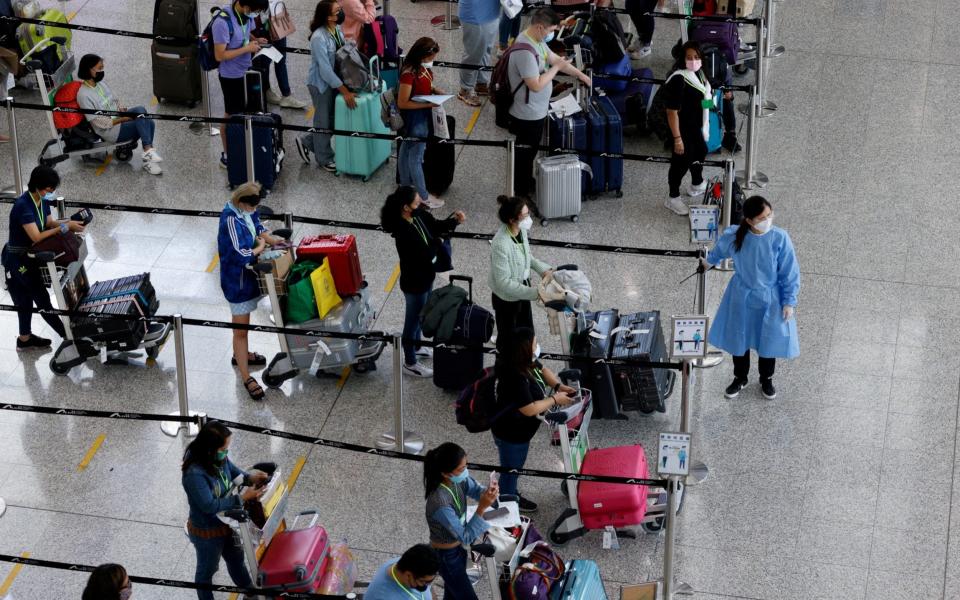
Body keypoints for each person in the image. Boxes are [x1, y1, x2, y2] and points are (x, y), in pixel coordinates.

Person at [701, 195, 800, 401]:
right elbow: (720, 251)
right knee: (740, 338)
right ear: (749, 220)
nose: (768, 220)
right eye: (762, 218)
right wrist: (709, 262)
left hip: (770, 298)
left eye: (769, 215)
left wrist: (789, 301)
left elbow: (790, 271)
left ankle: (767, 379)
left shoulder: (779, 238)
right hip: (741, 295)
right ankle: (740, 377)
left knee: (768, 340)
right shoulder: (735, 235)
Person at [380, 185, 466, 378]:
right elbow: (425, 254)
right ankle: (410, 362)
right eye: (417, 202)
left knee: (421, 314)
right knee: (412, 322)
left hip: (426, 276)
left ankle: (417, 347)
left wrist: (454, 222)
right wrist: (439, 242)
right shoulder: (403, 232)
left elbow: (436, 226)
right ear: (405, 207)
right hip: (414, 282)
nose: (420, 204)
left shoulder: (418, 215)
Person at [506, 8, 590, 199]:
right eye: (550, 30)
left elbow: (553, 59)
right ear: (539, 27)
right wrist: (557, 69)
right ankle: (520, 190)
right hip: (527, 113)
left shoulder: (537, 41)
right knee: (526, 152)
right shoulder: (525, 51)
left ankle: (525, 181)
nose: (552, 34)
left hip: (537, 109)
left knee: (531, 149)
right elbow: (535, 85)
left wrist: (580, 74)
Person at [182, 421, 269, 600]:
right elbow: (209, 505)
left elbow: (231, 470)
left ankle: (250, 593)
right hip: (207, 533)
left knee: (237, 560)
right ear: (209, 449)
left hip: (228, 523)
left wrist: (249, 477)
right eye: (223, 448)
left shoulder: (217, 457)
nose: (226, 452)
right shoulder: (194, 474)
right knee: (206, 573)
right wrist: (242, 498)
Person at [217, 182, 285, 400]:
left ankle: (243, 354)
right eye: (252, 207)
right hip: (237, 282)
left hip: (252, 277)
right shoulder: (229, 219)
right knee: (241, 330)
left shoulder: (246, 212)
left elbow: (257, 226)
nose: (254, 211)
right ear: (240, 202)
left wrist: (274, 240)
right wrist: (259, 248)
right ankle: (246, 375)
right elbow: (240, 253)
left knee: (243, 327)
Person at [493, 327, 573, 512]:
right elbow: (529, 409)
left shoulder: (522, 360)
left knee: (512, 467)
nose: (537, 346)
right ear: (523, 348)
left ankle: (508, 492)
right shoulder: (514, 376)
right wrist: (554, 399)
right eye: (535, 343)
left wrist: (558, 385)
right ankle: (507, 501)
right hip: (511, 434)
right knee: (512, 469)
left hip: (518, 432)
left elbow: (543, 369)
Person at [1, 166, 80, 350]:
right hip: (17, 260)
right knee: (40, 298)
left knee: (24, 300)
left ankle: (24, 340)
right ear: (37, 186)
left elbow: (49, 223)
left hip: (30, 257)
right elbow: (36, 236)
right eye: (48, 188)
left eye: (52, 189)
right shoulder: (23, 206)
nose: (50, 192)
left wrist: (69, 222)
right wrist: (65, 228)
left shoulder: (40, 201)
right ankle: (68, 335)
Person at [424, 442, 498, 600]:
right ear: (445, 473)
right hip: (446, 555)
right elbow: (465, 537)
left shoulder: (458, 480)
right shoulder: (439, 502)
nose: (465, 472)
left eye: (466, 466)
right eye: (461, 469)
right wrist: (482, 508)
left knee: (452, 594)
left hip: (458, 550)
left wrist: (488, 492)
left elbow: (476, 489)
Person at [295, 0, 357, 173]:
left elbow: (341, 54)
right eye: (337, 11)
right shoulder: (318, 38)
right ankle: (324, 159)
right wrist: (344, 91)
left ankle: (308, 141)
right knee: (323, 121)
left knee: (333, 119)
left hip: (335, 82)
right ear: (328, 16)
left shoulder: (336, 30)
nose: (341, 13)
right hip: (321, 85)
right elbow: (325, 70)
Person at [75, 54, 163, 175]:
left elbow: (115, 99)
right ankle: (148, 157)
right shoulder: (83, 95)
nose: (102, 71)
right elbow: (100, 123)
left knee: (141, 111)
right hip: (111, 130)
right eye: (99, 68)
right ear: (88, 69)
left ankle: (148, 153)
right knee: (149, 123)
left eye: (102, 68)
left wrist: (122, 110)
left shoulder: (101, 84)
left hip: (118, 118)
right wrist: (124, 118)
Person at [489, 196, 553, 352]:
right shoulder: (501, 244)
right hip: (506, 298)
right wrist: (535, 293)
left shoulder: (521, 230)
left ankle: (526, 353)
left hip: (522, 287)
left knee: (526, 326)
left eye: (528, 213)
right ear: (512, 220)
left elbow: (527, 256)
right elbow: (503, 282)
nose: (529, 219)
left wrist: (543, 269)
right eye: (525, 216)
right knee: (508, 337)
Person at [212, 0, 270, 169]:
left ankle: (243, 148)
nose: (256, 15)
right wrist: (246, 49)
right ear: (245, 6)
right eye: (256, 10)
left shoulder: (245, 16)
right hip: (230, 76)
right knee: (231, 114)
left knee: (246, 111)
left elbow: (245, 34)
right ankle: (228, 154)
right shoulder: (222, 22)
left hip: (246, 71)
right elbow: (219, 55)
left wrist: (255, 39)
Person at [396, 37, 446, 210]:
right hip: (415, 120)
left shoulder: (422, 69)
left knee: (405, 150)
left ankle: (404, 187)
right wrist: (429, 104)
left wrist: (433, 90)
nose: (432, 61)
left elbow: (424, 86)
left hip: (420, 117)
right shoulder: (409, 73)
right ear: (422, 55)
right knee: (415, 158)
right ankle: (424, 197)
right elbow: (403, 102)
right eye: (431, 58)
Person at [663, 41, 711, 216]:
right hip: (680, 128)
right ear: (683, 59)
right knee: (681, 162)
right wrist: (677, 139)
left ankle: (696, 184)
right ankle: (672, 197)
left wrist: (709, 107)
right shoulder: (678, 79)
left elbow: (705, 96)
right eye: (689, 57)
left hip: (694, 126)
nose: (693, 60)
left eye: (697, 57)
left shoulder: (700, 74)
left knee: (701, 151)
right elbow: (671, 112)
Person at [251, 10, 307, 109]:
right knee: (264, 62)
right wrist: (254, 38)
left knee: (280, 59)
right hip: (260, 26)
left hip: (276, 19)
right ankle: (267, 90)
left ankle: (286, 95)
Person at [457, 0, 499, 107]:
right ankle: (465, 90)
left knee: (486, 50)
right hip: (474, 15)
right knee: (473, 53)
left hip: (492, 13)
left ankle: (481, 83)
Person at [366, 544, 440, 600]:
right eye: (423, 582)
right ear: (408, 575)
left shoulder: (408, 562)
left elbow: (428, 590)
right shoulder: (383, 596)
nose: (425, 586)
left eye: (430, 581)